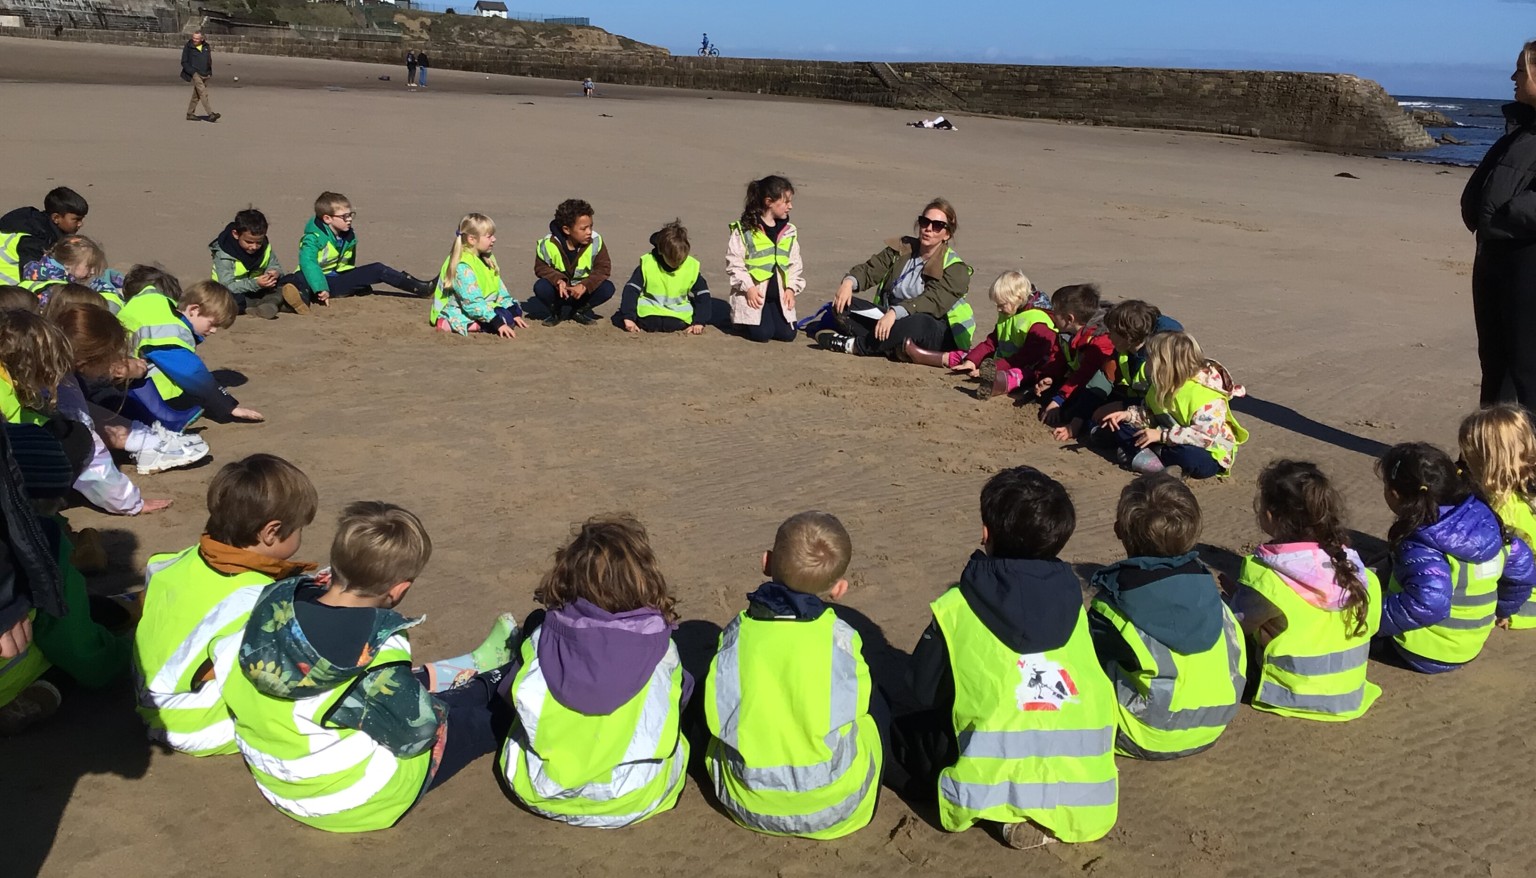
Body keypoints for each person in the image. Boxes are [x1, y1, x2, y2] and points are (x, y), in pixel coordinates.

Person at [223, 502, 517, 831]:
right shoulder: (374, 651)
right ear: (399, 590)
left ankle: (491, 680)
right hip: (351, 797)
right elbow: (418, 734)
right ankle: (508, 687)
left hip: (281, 774)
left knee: (404, 695)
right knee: (474, 723)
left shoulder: (273, 601)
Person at [894, 466, 1116, 849]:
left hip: (985, 775)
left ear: (986, 534)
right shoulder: (1077, 608)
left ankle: (999, 815)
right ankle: (1023, 812)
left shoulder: (957, 606)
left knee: (897, 723)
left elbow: (922, 690)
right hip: (1085, 788)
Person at [500, 515, 691, 828]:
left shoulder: (540, 640)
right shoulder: (663, 650)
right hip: (635, 796)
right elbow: (678, 704)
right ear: (645, 579)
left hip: (542, 790)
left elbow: (511, 695)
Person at [702, 511, 884, 839]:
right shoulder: (840, 636)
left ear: (766, 562)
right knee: (874, 710)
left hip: (746, 801)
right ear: (839, 589)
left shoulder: (737, 633)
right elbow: (857, 704)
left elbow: (718, 709)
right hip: (835, 804)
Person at [133, 454, 318, 755]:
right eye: (299, 529)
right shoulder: (256, 597)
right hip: (196, 723)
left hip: (153, 703)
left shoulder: (174, 562)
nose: (301, 535)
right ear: (271, 532)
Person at [1088, 475, 1245, 759]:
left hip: (1143, 735)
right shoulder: (1213, 596)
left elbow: (1087, 668)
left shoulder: (1110, 608)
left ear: (1118, 531)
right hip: (1215, 724)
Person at [0, 425, 130, 735]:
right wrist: (122, 655)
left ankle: (115, 610)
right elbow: (78, 648)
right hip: (8, 672)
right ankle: (40, 694)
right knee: (66, 658)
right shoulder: (44, 547)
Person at [1231, 460, 1381, 721]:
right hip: (1350, 693)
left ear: (1270, 515)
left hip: (1288, 693)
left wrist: (1237, 596)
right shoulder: (1357, 572)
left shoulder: (1264, 576)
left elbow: (1236, 626)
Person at [1376, 442, 1536, 673]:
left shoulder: (1421, 543)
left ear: (1394, 494)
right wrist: (1503, 610)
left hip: (1423, 650)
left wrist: (1372, 619)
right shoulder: (1487, 521)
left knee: (1347, 609)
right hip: (1470, 645)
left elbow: (1429, 602)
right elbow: (1522, 570)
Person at [48, 302, 186, 508]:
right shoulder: (62, 388)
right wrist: (131, 503)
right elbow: (91, 455)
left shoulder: (41, 358)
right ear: (85, 361)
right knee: (77, 438)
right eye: (111, 356)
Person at [1462, 39, 1536, 406]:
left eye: (1521, 70)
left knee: (1526, 368)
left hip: (1526, 256)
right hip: (1495, 253)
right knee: (1495, 362)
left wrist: (1508, 216)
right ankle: (1485, 453)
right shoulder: (1522, 128)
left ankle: (1522, 456)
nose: (1513, 77)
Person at [817, 198, 975, 359]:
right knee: (842, 306)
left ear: (947, 234)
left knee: (917, 322)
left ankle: (856, 346)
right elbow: (871, 269)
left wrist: (895, 313)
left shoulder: (956, 268)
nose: (928, 229)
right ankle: (894, 348)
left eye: (937, 226)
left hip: (934, 329)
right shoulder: (901, 248)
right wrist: (848, 282)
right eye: (924, 222)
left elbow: (931, 301)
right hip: (890, 318)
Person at [116, 279, 264, 432]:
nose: (214, 331)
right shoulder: (169, 332)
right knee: (183, 375)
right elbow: (191, 372)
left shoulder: (159, 308)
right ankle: (163, 414)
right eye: (212, 324)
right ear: (193, 310)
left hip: (115, 372)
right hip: (123, 390)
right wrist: (229, 406)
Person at [1100, 331, 1247, 480]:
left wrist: (1162, 436)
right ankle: (1152, 456)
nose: (1146, 363)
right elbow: (1149, 413)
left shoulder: (1206, 397)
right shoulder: (1159, 388)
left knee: (1191, 457)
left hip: (1208, 449)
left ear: (1166, 366)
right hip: (1166, 437)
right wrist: (1128, 415)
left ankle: (1149, 459)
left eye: (1150, 359)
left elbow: (1204, 437)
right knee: (1121, 427)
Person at [907, 270, 1055, 400]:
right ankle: (927, 356)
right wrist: (972, 361)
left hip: (1030, 366)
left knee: (1019, 374)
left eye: (1001, 305)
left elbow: (1025, 357)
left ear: (1018, 299)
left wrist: (991, 368)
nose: (998, 309)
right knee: (968, 354)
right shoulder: (1009, 313)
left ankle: (995, 384)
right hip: (1002, 359)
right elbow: (991, 342)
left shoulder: (1037, 322)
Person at [276, 191, 434, 310]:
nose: (350, 219)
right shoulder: (313, 238)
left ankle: (420, 288)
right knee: (298, 279)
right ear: (327, 219)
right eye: (344, 216)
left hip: (337, 278)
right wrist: (321, 287)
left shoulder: (347, 234)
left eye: (350, 214)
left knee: (378, 269)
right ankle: (297, 302)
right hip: (314, 278)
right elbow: (308, 262)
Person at [1459, 403, 1536, 626]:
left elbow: (1519, 569)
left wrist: (1506, 608)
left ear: (1488, 460)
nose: (1463, 459)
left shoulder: (1504, 510)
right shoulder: (1526, 488)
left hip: (1526, 590)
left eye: (1468, 454)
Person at [727, 175, 803, 344]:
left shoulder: (788, 232)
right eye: (786, 202)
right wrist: (749, 288)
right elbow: (735, 264)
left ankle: (771, 314)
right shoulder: (744, 230)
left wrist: (791, 288)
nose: (790, 206)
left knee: (787, 334)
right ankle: (741, 322)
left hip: (779, 296)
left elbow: (794, 264)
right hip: (754, 294)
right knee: (763, 334)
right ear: (769, 202)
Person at [430, 213, 529, 338]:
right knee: (502, 319)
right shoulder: (462, 265)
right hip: (458, 309)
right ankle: (449, 324)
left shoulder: (487, 258)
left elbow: (500, 290)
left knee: (513, 312)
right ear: (472, 239)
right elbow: (472, 303)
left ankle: (496, 318)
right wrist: (497, 322)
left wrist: (513, 310)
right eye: (489, 236)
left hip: (484, 305)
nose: (494, 239)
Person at [1035, 283, 1114, 440]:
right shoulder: (1066, 333)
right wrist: (1050, 376)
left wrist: (1058, 400)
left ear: (1069, 318)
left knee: (1067, 410)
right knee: (1045, 395)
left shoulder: (1099, 340)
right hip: (1079, 381)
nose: (1052, 316)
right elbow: (1058, 357)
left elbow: (1085, 375)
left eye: (1055, 313)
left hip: (1100, 389)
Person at [619, 220, 719, 334]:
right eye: (673, 260)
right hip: (649, 312)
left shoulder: (691, 267)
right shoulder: (648, 263)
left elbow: (703, 295)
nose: (677, 263)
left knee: (674, 324)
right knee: (652, 323)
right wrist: (629, 317)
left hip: (678, 315)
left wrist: (699, 321)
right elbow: (631, 290)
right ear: (661, 251)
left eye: (681, 260)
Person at [530, 199, 614, 326]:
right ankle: (556, 312)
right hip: (559, 292)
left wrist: (585, 285)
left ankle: (579, 311)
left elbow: (603, 268)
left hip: (582, 292)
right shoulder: (547, 244)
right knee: (541, 287)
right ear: (567, 230)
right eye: (584, 228)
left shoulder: (596, 241)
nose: (589, 232)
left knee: (607, 288)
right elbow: (541, 268)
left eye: (591, 226)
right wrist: (558, 280)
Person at [209, 207, 287, 320]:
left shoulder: (264, 246)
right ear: (236, 234)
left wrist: (274, 273)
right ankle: (271, 303)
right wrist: (256, 284)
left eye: (258, 242)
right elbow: (228, 285)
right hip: (232, 291)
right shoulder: (224, 254)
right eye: (249, 242)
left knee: (287, 281)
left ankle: (268, 303)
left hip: (259, 288)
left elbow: (275, 265)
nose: (254, 247)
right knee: (229, 301)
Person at [0, 187, 88, 285]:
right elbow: (32, 276)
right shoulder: (33, 238)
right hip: (8, 292)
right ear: (56, 218)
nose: (80, 224)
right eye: (76, 219)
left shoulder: (38, 226)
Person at [19, 235, 122, 307]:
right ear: (69, 263)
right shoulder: (59, 291)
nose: (93, 271)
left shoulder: (35, 273)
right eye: (90, 266)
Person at [180, 31, 220, 122]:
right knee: (203, 93)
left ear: (202, 39)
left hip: (206, 74)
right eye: (194, 38)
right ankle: (210, 114)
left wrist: (209, 72)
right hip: (195, 73)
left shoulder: (206, 46)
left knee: (196, 95)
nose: (195, 40)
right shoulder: (188, 47)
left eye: (197, 38)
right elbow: (184, 61)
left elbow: (209, 60)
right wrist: (192, 72)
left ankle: (190, 114)